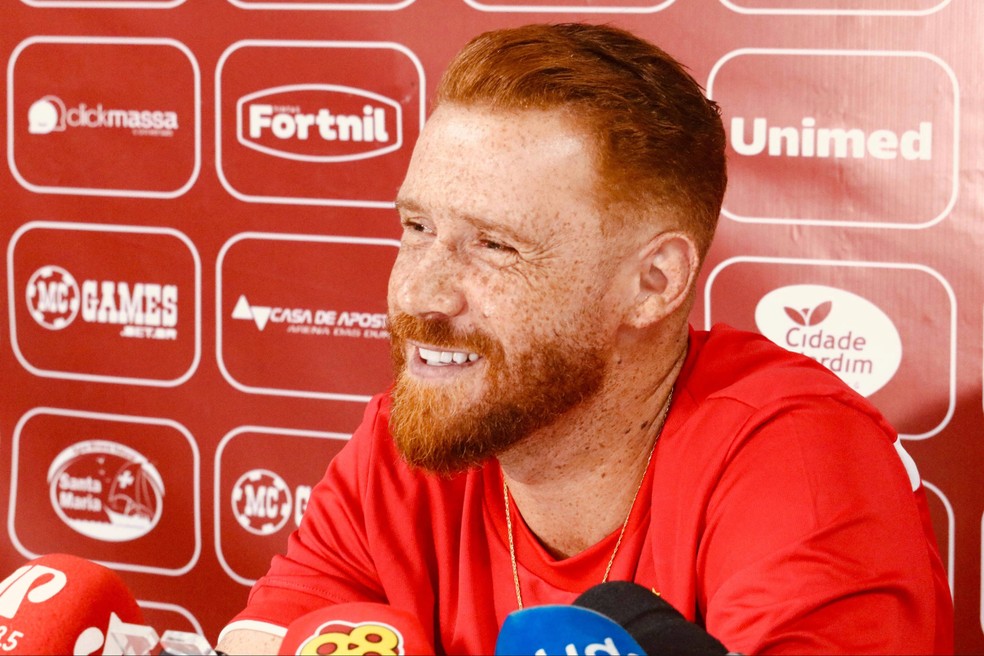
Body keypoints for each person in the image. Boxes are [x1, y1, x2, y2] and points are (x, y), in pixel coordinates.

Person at [217, 22, 953, 654]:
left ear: (655, 283)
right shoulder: (415, 438)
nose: (419, 292)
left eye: (495, 246)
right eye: (417, 228)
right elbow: (262, 640)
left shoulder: (798, 456)